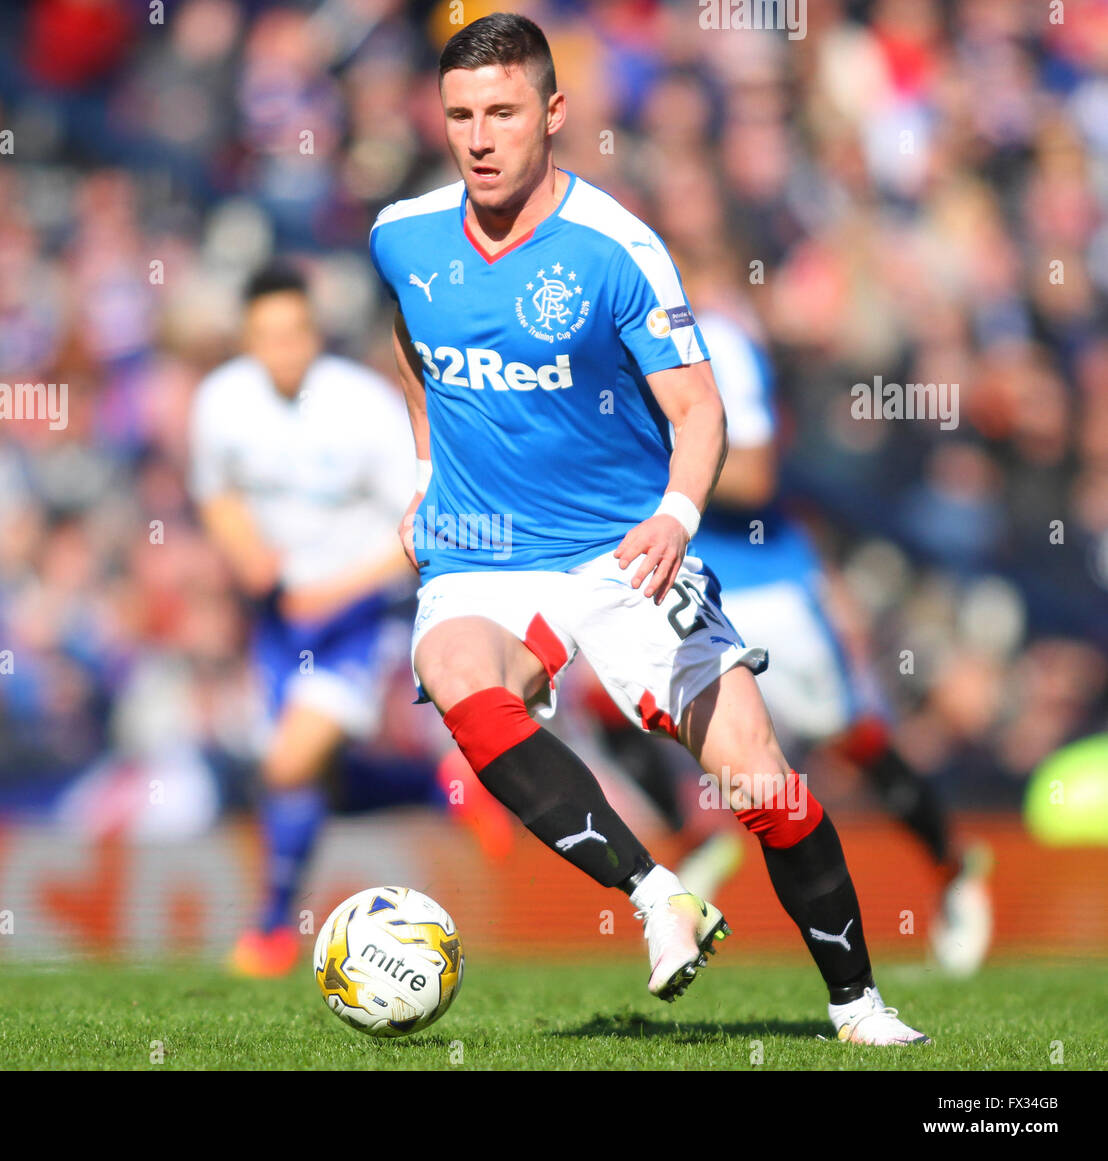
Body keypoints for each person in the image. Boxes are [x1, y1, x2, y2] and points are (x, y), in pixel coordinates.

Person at [369, 12, 928, 1044]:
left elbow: (700, 410)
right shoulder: (402, 234)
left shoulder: (618, 249)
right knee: (456, 675)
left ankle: (858, 1006)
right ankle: (656, 893)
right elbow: (413, 339)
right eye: (459, 116)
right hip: (484, 550)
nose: (479, 139)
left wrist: (676, 515)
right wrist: (424, 473)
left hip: (623, 547)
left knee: (762, 782)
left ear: (554, 113)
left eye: (502, 113)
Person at [580, 277, 992, 978]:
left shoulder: (711, 341)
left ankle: (953, 867)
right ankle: (694, 838)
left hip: (760, 581)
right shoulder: (590, 349)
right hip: (666, 572)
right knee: (602, 699)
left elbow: (754, 476)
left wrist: (652, 464)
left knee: (848, 736)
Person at [189, 264, 420, 977]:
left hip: (359, 615)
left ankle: (269, 927)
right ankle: (438, 784)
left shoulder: (365, 407)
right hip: (280, 620)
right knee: (302, 776)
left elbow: (421, 528)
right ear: (246, 338)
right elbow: (217, 494)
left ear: (315, 333)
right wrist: (247, 555)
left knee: (289, 761)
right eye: (267, 335)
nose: (283, 348)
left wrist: (333, 592)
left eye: (295, 333)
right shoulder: (221, 400)